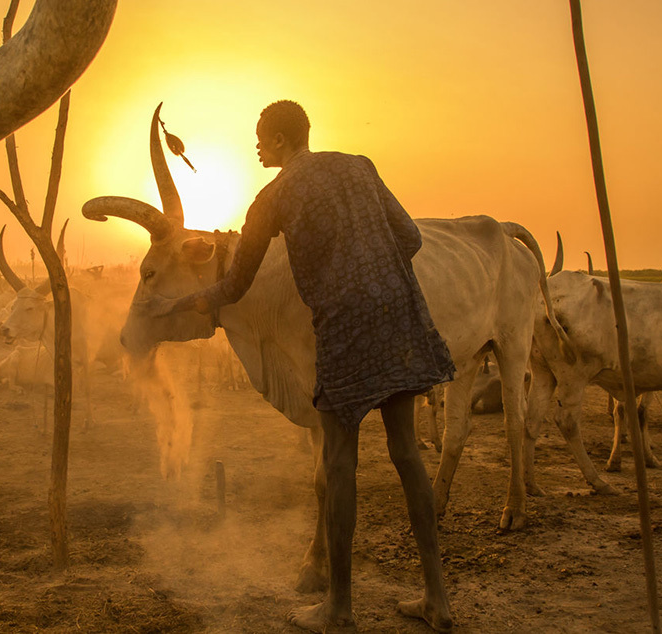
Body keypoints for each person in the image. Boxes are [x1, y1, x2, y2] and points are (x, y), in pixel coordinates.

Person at [144, 100, 455, 632]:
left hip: (343, 327)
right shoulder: (360, 165)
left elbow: (237, 285)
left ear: (283, 140)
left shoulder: (273, 197)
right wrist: (372, 267)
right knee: (406, 452)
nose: (257, 148)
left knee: (339, 463)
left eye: (262, 140)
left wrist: (183, 303)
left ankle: (338, 608)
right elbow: (411, 238)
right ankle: (437, 600)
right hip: (400, 314)